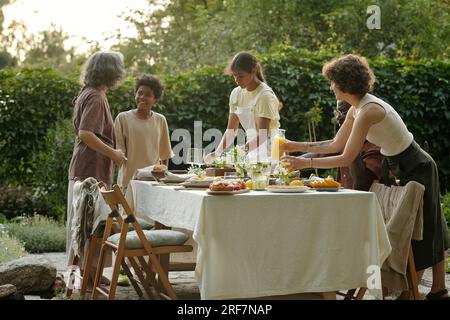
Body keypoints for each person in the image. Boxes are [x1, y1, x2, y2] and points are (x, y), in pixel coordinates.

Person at [281, 54, 450, 300]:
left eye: (333, 82)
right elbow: (335, 143)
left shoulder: (369, 110)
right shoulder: (355, 109)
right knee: (419, 226)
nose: (331, 87)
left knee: (425, 227)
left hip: (418, 164)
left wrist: (304, 162)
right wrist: (292, 145)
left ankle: (430, 291)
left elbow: (346, 156)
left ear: (345, 84)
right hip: (398, 164)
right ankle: (421, 292)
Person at [67, 51, 127, 287]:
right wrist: (113, 153)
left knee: (89, 226)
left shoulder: (90, 93)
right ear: (112, 71)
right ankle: (83, 278)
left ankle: (89, 274)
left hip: (89, 168)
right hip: (90, 171)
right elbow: (85, 133)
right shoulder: (95, 97)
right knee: (90, 227)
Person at [205, 52, 280, 163]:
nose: (237, 80)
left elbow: (263, 135)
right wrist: (217, 153)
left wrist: (238, 153)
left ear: (253, 71)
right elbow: (231, 131)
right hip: (251, 150)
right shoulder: (236, 94)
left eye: (241, 76)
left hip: (271, 151)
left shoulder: (265, 95)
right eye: (234, 75)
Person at [114, 75, 174, 189]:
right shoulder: (122, 118)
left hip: (152, 184)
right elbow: (118, 155)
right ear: (135, 94)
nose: (142, 97)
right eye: (139, 93)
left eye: (148, 95)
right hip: (128, 183)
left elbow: (164, 156)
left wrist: (162, 181)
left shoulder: (160, 120)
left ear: (155, 100)